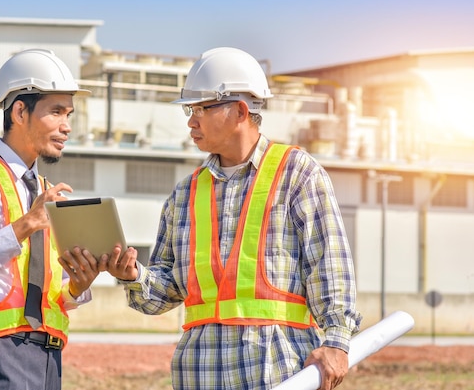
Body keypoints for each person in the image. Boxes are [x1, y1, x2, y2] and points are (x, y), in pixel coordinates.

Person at [100, 47, 362, 390]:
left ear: (239, 110)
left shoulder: (297, 174)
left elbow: (329, 267)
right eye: (189, 110)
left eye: (200, 109)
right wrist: (133, 275)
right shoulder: (185, 195)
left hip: (277, 371)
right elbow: (165, 293)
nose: (190, 121)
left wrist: (337, 341)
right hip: (200, 373)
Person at [0, 48, 100, 390]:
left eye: (68, 113)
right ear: (20, 111)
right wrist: (25, 225)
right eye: (56, 112)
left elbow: (48, 289)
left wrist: (80, 285)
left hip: (50, 355)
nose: (66, 126)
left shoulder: (46, 191)